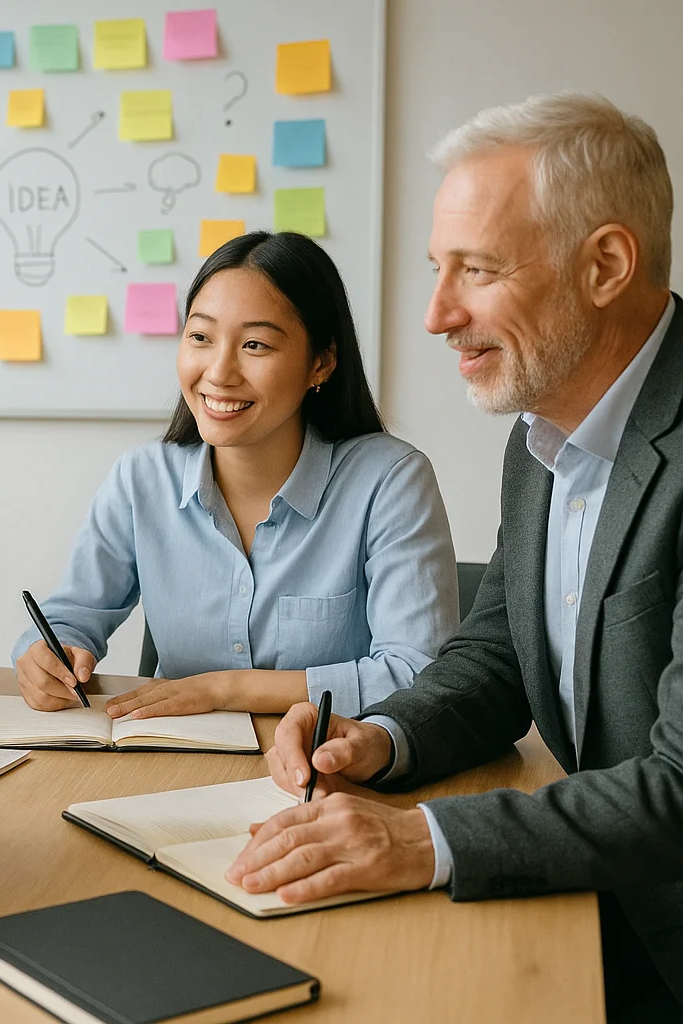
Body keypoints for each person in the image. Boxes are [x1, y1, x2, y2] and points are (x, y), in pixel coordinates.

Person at [227, 94, 683, 1018]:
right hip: (599, 900)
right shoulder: (541, 437)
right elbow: (498, 655)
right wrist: (380, 738)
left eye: (476, 270)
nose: (437, 314)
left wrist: (418, 840)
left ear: (605, 264)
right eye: (439, 270)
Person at [13, 231, 457, 721]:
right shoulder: (142, 479)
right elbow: (70, 617)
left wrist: (223, 688)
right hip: (171, 759)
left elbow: (416, 674)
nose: (219, 372)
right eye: (200, 337)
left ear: (322, 362)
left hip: (325, 761)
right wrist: (47, 655)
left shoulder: (389, 480)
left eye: (255, 344)